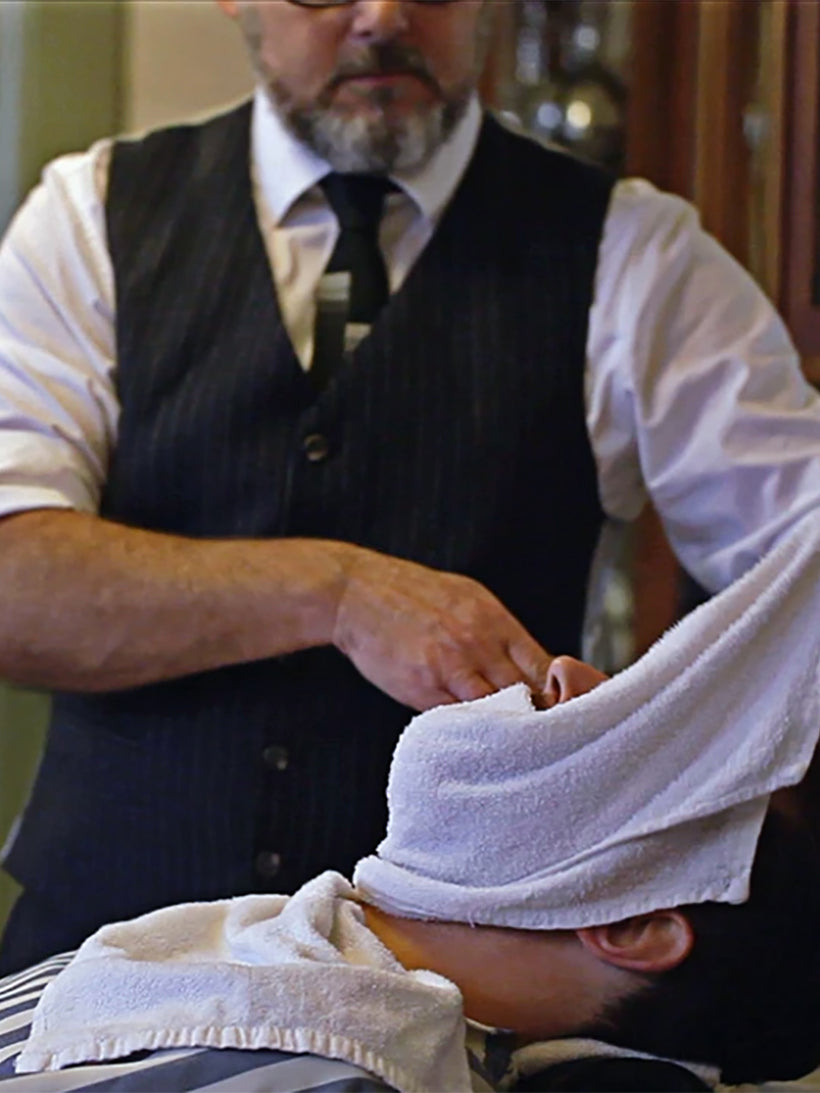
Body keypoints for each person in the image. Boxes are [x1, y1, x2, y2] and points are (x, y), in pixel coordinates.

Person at [2, 0, 820, 972]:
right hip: (101, 977)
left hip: (454, 1015)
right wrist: (336, 593)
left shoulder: (637, 256)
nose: (383, 15)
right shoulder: (90, 216)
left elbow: (801, 572)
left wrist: (646, 747)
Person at [2, 634, 820, 1092]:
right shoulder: (265, 957)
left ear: (634, 922)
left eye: (648, 733)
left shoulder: (328, 1071)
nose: (570, 672)